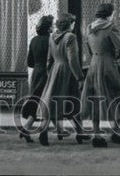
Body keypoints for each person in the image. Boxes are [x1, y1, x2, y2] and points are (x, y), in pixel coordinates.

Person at [80, 3, 120, 147]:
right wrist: (115, 56)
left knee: (94, 99)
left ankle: (96, 135)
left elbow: (88, 48)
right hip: (109, 64)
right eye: (113, 13)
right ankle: (115, 132)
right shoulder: (111, 27)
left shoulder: (89, 28)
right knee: (117, 96)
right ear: (109, 14)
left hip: (94, 64)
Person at [36, 13, 90, 146]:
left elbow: (49, 59)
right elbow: (72, 60)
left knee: (52, 103)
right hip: (68, 73)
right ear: (69, 24)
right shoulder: (70, 37)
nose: (74, 25)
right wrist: (80, 77)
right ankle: (80, 133)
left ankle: (43, 132)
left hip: (55, 71)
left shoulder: (52, 37)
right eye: (73, 23)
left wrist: (51, 73)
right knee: (74, 103)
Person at [18, 15, 53, 143]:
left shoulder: (34, 40)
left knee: (36, 101)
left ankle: (26, 128)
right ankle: (43, 133)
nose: (53, 27)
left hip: (36, 74)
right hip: (47, 73)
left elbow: (30, 62)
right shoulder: (51, 41)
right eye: (52, 25)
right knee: (47, 102)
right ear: (48, 28)